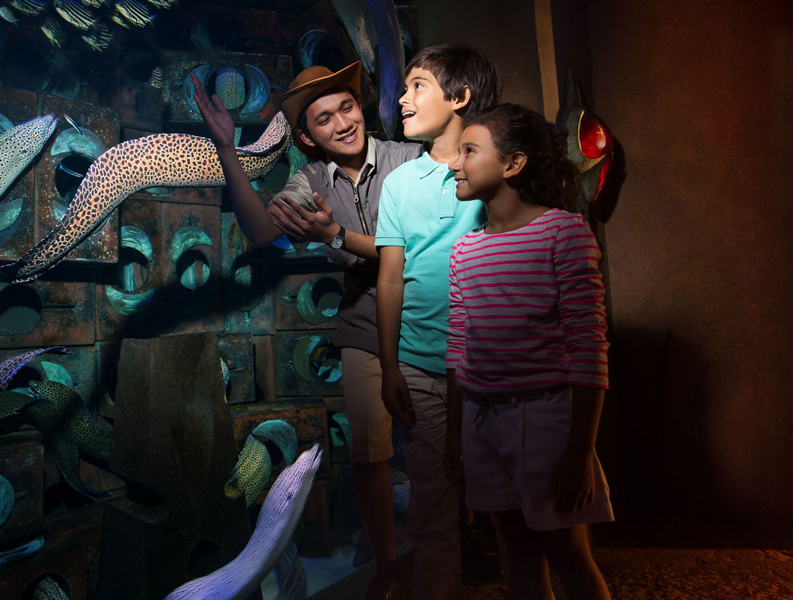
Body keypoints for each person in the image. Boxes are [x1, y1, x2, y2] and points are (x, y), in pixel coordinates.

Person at [191, 64, 422, 599]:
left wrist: (337, 234)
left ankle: (464, 535)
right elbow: (261, 229)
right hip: (365, 324)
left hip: (431, 323)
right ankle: (387, 564)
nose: (342, 123)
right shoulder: (311, 181)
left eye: (347, 107)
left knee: (442, 444)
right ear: (306, 137)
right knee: (368, 452)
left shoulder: (408, 160)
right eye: (324, 119)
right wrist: (229, 149)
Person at [445, 102, 614, 600]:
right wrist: (458, 435)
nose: (455, 162)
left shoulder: (562, 233)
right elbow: (459, 348)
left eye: (469, 151)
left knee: (567, 554)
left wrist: (580, 452)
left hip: (545, 419)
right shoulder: (465, 250)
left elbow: (588, 349)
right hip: (481, 421)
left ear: (513, 164)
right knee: (515, 551)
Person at [372, 44, 501, 600]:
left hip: (494, 369)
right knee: (431, 504)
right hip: (420, 367)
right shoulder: (400, 184)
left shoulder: (495, 172)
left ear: (459, 97)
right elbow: (390, 278)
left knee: (506, 501)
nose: (402, 98)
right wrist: (389, 365)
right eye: (403, 88)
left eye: (417, 85)